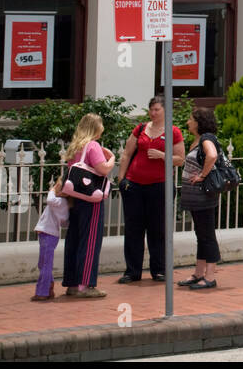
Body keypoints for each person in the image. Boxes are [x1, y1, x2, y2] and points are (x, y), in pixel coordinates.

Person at [117, 97, 184, 284]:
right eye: (151, 109)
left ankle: (159, 270)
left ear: (165, 111)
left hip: (160, 185)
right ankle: (132, 271)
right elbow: (127, 154)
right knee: (133, 229)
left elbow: (180, 159)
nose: (153, 113)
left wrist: (162, 155)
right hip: (134, 184)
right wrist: (122, 179)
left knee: (158, 229)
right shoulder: (140, 129)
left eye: (157, 109)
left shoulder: (173, 131)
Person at [61, 113, 115, 299]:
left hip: (75, 199)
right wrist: (112, 159)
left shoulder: (76, 147)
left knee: (74, 239)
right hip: (91, 199)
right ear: (95, 128)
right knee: (90, 240)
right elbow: (103, 169)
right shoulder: (93, 146)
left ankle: (72, 283)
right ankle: (86, 285)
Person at [178, 108, 222, 289]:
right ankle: (198, 273)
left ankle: (210, 276)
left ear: (199, 122)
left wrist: (202, 176)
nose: (188, 122)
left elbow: (212, 155)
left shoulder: (206, 138)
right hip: (196, 197)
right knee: (201, 234)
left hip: (203, 195)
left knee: (207, 235)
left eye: (191, 119)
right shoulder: (198, 139)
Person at [31, 179, 69, 301]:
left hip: (48, 235)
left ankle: (42, 292)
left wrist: (52, 190)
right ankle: (48, 287)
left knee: (45, 264)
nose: (55, 187)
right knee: (43, 264)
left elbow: (49, 199)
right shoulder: (63, 203)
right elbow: (64, 222)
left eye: (58, 186)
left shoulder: (60, 201)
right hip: (48, 234)